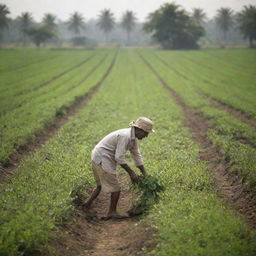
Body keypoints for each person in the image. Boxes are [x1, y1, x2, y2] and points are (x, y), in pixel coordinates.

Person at [83, 117, 154, 220]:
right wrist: (131, 173)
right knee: (116, 189)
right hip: (102, 157)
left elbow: (136, 155)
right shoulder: (125, 136)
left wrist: (145, 174)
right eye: (146, 133)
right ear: (139, 130)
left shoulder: (133, 139)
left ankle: (86, 204)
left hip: (101, 156)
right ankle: (111, 212)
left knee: (99, 186)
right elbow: (119, 157)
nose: (147, 136)